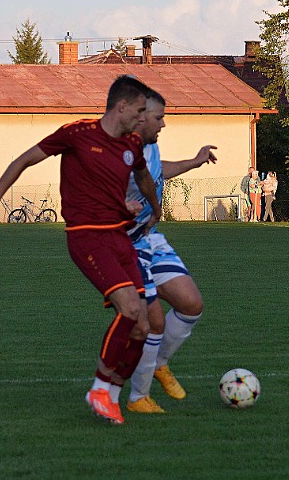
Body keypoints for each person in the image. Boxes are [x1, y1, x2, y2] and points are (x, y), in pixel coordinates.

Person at [0, 75, 162, 424]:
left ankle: (111, 397)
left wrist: (154, 207)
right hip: (87, 237)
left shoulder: (133, 144)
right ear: (121, 106)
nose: (143, 118)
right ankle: (98, 388)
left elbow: (143, 177)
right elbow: (22, 161)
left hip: (120, 238)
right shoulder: (77, 134)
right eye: (139, 110)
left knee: (144, 326)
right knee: (130, 308)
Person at [124, 91, 218, 414]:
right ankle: (138, 398)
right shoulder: (119, 149)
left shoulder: (149, 145)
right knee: (152, 323)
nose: (164, 123)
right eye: (159, 117)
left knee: (191, 304)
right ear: (140, 116)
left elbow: (156, 169)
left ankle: (160, 363)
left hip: (150, 238)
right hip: (125, 243)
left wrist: (194, 161)